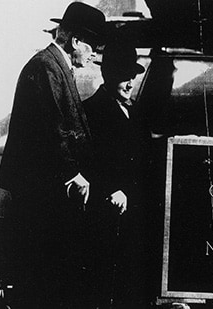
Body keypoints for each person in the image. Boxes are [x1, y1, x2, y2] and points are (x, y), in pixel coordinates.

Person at [0, 2, 106, 308]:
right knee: (45, 276)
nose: (94, 54)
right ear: (75, 42)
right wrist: (74, 174)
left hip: (46, 190)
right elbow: (53, 128)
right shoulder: (47, 67)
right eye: (93, 46)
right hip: (42, 194)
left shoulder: (55, 66)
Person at [83, 41, 155, 308]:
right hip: (106, 214)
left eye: (132, 78)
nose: (129, 84)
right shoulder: (90, 111)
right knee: (105, 284)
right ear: (107, 76)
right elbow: (86, 163)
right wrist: (111, 190)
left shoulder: (135, 111)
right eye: (123, 78)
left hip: (134, 212)